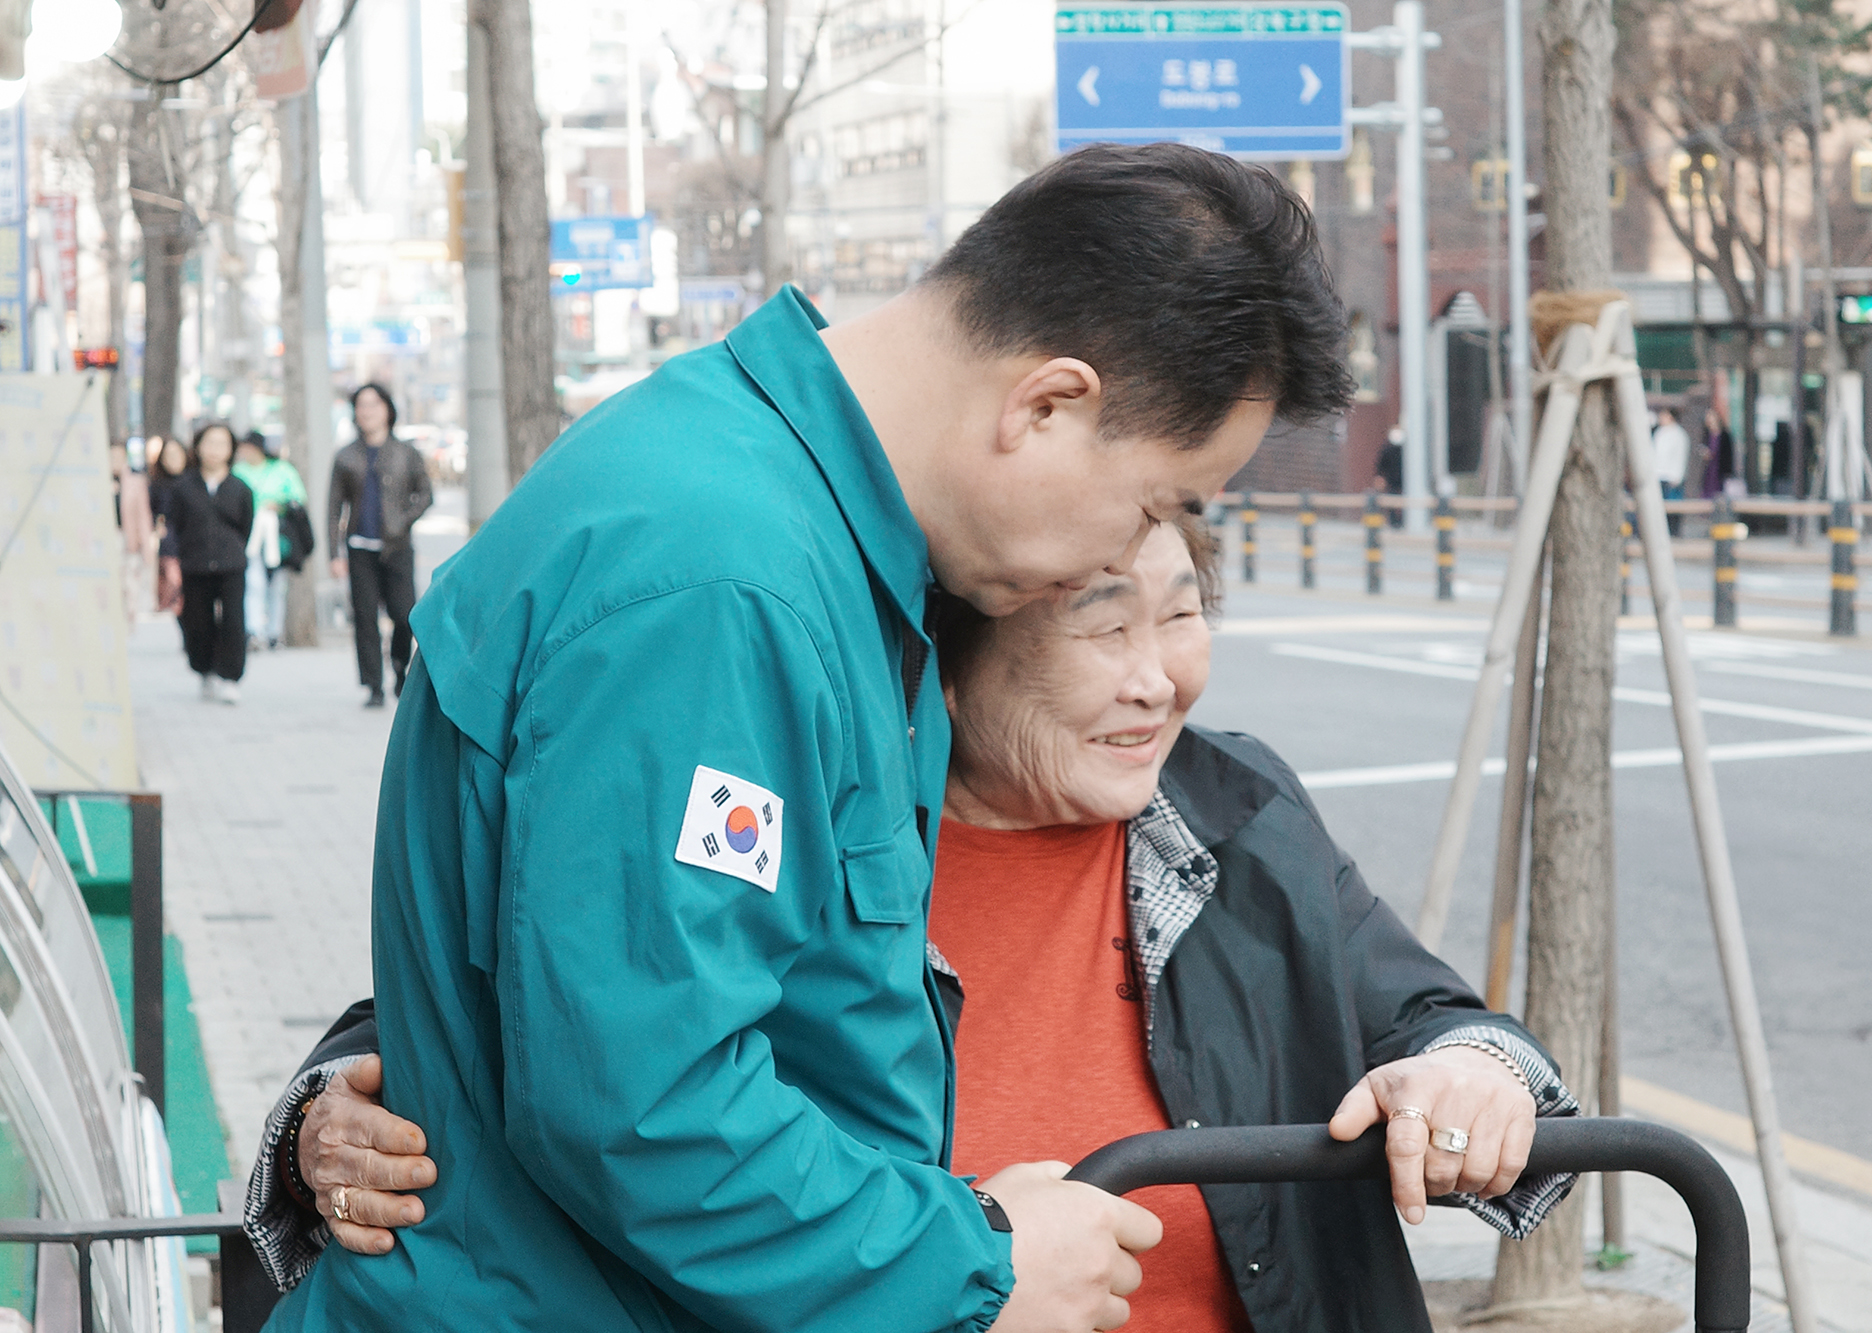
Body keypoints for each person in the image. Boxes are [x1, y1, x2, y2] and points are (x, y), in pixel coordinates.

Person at [251, 144, 1349, 1333]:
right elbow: (639, 1097)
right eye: (1146, 503)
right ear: (1046, 404)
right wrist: (977, 1263)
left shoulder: (781, 518)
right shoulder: (724, 583)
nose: (1120, 554)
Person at [249, 517, 1576, 1330]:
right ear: (956, 649)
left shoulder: (1233, 810)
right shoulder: (814, 818)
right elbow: (555, 991)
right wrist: (326, 1118)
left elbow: (1436, 1017)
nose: (1160, 676)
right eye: (1105, 629)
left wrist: (1472, 1073)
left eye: (1184, 616)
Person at [326, 384, 432, 707]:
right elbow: (333, 508)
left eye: (373, 404)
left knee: (404, 614)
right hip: (359, 548)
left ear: (387, 409)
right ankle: (372, 684)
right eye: (361, 405)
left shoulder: (407, 453)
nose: (367, 411)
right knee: (365, 618)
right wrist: (335, 553)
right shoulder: (346, 456)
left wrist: (402, 520)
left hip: (397, 547)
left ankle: (400, 670)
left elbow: (425, 495)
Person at [168, 422, 254, 704]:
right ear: (198, 447)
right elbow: (174, 524)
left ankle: (231, 677)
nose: (215, 450)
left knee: (233, 620)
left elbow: (245, 526)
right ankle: (204, 670)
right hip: (195, 563)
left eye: (222, 444)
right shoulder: (183, 487)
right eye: (210, 443)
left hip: (231, 564)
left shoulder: (240, 488)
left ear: (231, 449)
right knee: (197, 622)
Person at [234, 429, 308, 651]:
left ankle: (275, 632)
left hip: (279, 534)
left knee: (277, 584)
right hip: (249, 535)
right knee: (253, 582)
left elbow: (298, 497)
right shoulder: (239, 471)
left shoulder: (281, 469)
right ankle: (254, 630)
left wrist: (280, 505)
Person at [148, 435, 189, 616]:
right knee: (173, 578)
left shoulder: (193, 482)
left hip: (192, 539)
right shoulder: (157, 484)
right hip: (170, 539)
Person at [1652, 407, 1691, 535]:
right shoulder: (1660, 432)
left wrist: (1677, 475)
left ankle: (1674, 532)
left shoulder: (1679, 434)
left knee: (1673, 506)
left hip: (1671, 476)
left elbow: (1680, 456)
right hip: (1659, 474)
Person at [1699, 407, 1737, 499]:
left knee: (1719, 493)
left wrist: (1729, 471)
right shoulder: (1706, 434)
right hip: (1709, 469)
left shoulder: (1725, 435)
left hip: (1720, 470)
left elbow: (1728, 455)